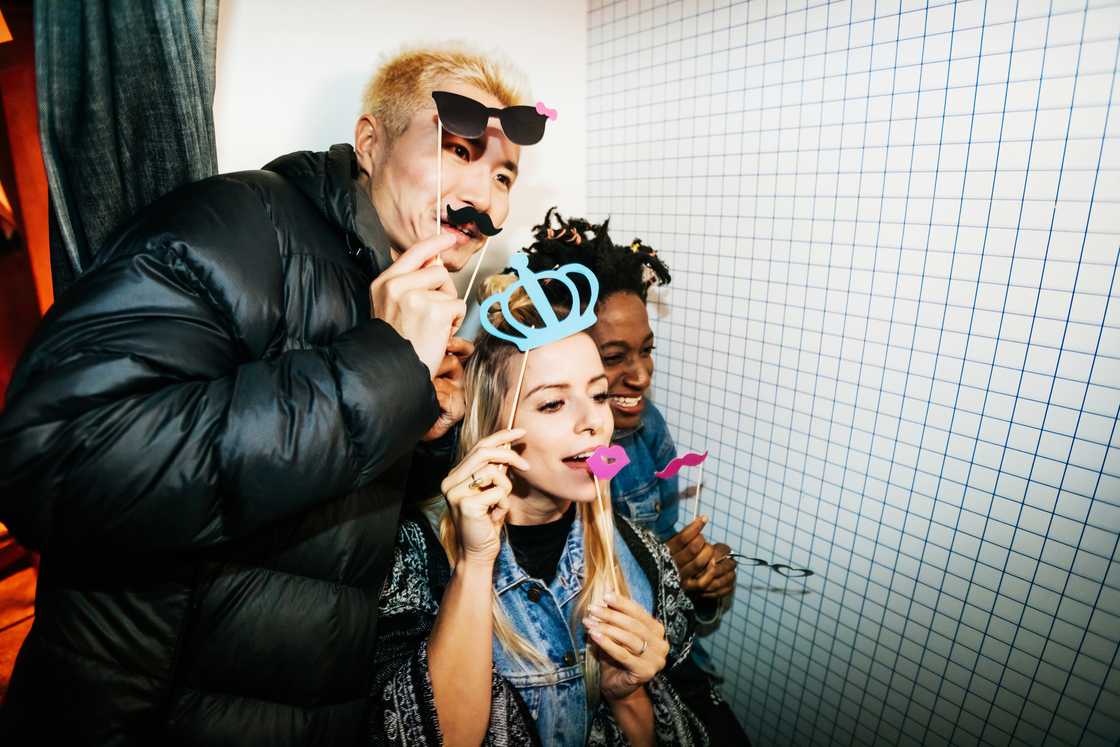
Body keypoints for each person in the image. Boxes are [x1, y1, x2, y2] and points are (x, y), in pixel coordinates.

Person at [0, 43, 534, 745]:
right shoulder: (243, 223)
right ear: (370, 143)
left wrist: (422, 431)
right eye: (458, 150)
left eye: (503, 174)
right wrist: (378, 369)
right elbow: (55, 461)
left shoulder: (407, 289)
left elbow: (318, 518)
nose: (484, 198)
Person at [369, 288, 747, 746]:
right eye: (553, 403)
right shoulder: (414, 555)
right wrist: (475, 561)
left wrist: (627, 695)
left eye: (598, 395)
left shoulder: (639, 557)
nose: (594, 422)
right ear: (493, 426)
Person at [518, 209, 741, 690]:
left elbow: (665, 549)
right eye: (615, 357)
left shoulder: (648, 432)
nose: (641, 376)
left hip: (664, 662)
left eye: (647, 350)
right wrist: (658, 575)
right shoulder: (524, 465)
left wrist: (697, 577)